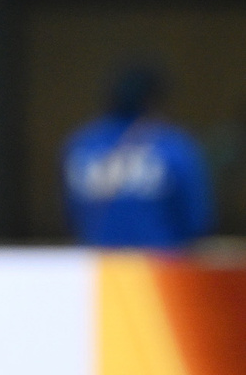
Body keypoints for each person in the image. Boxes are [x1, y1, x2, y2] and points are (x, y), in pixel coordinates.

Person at [61, 63, 214, 247]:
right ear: (153, 99)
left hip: (99, 268)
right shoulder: (171, 146)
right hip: (160, 268)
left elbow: (69, 217)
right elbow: (196, 219)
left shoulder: (81, 144)